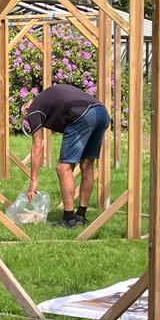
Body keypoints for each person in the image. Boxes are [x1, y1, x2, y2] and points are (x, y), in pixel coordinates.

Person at [20, 82, 111, 227]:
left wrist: (33, 180)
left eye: (27, 119)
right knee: (87, 165)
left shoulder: (33, 109)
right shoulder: (47, 99)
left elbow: (37, 146)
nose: (30, 121)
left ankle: (68, 220)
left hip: (81, 115)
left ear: (26, 109)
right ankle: (80, 216)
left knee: (63, 168)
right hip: (101, 113)